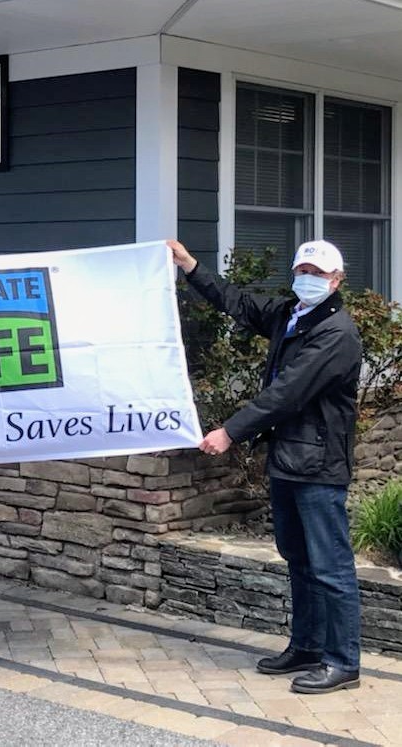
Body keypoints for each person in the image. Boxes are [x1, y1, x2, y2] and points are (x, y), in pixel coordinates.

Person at [168, 238, 362, 695]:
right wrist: (191, 267)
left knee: (331, 567)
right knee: (299, 560)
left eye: (318, 274)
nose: (308, 280)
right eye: (303, 271)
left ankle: (342, 662)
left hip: (318, 463)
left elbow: (288, 393)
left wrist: (230, 431)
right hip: (289, 459)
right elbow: (238, 303)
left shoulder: (336, 334)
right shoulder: (292, 316)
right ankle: (308, 646)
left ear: (336, 281)